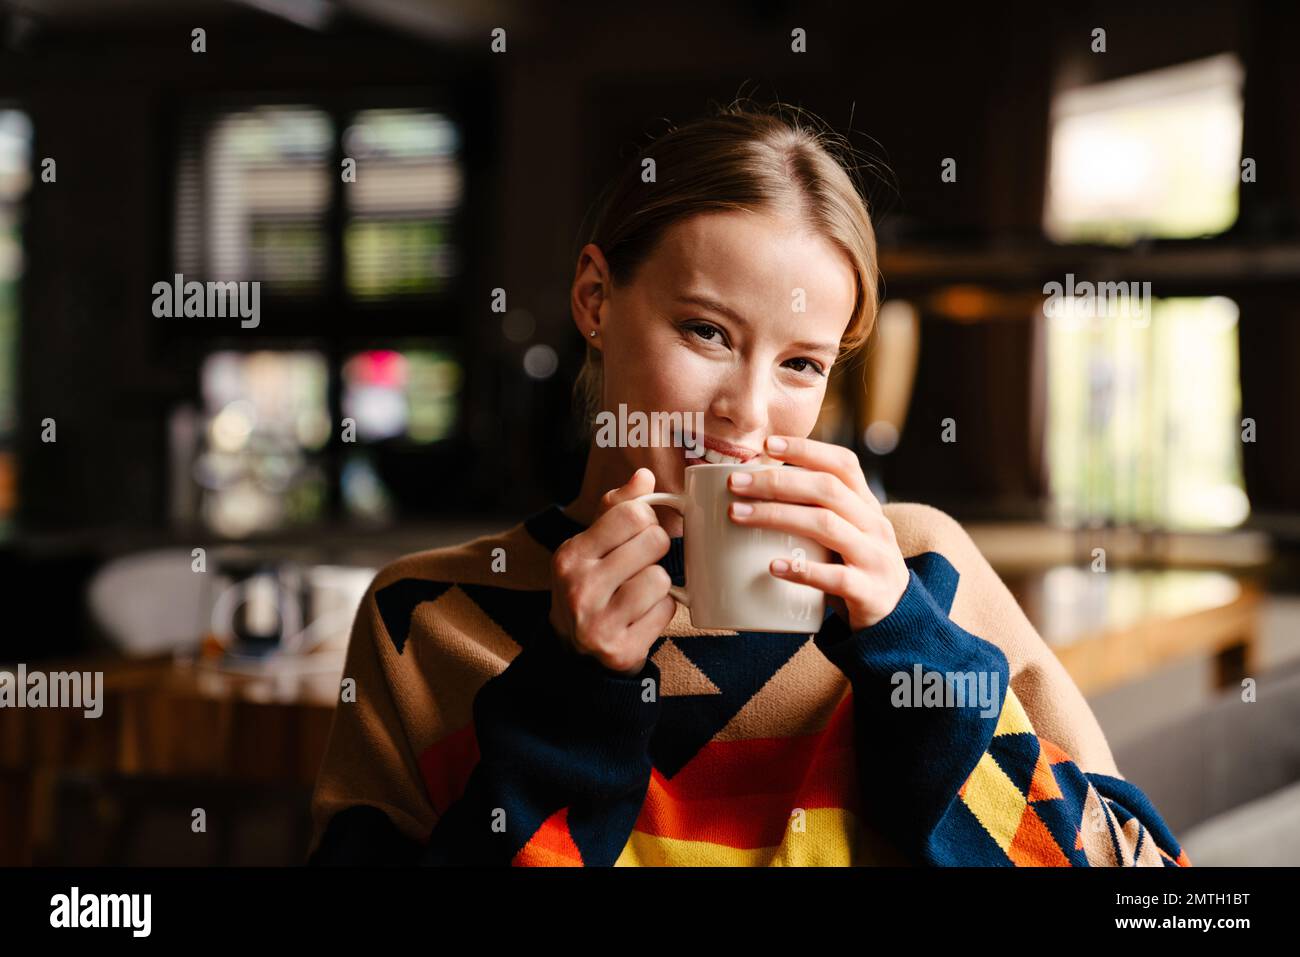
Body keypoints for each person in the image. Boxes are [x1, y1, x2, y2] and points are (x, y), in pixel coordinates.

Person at [307, 102, 1191, 867]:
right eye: (706, 332)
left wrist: (913, 653)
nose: (747, 411)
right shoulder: (423, 618)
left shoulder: (919, 569)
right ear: (594, 299)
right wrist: (574, 703)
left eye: (802, 363)